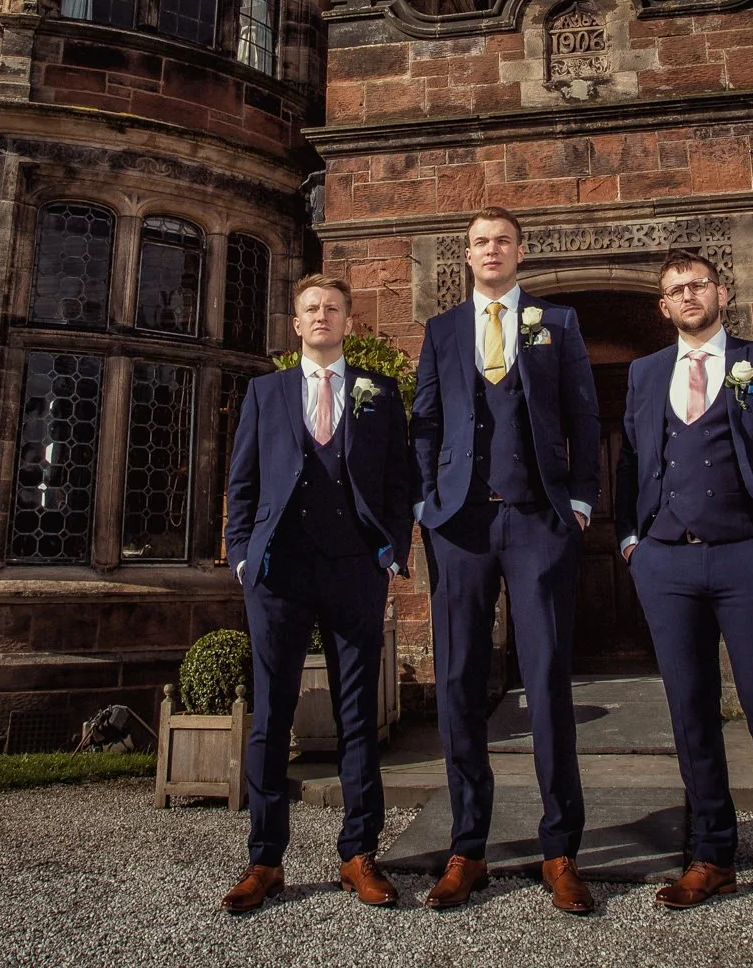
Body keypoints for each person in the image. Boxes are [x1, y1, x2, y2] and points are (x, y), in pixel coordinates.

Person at [615, 250, 753, 929]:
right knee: (691, 713)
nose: (687, 296)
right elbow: (630, 460)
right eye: (675, 289)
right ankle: (712, 855)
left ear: (721, 292)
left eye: (697, 285)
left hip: (750, 560)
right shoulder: (645, 374)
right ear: (663, 305)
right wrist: (630, 542)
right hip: (667, 563)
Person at [409, 206, 601, 913]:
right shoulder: (442, 330)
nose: (491, 250)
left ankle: (561, 850)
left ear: (521, 252)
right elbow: (424, 421)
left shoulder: (560, 324)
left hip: (538, 520)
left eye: (502, 241)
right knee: (458, 680)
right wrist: (426, 502)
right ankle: (469, 848)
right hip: (458, 525)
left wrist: (580, 501)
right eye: (480, 242)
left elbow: (583, 416)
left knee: (548, 680)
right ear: (467, 255)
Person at [220, 274, 413, 914]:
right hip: (276, 572)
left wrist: (388, 552)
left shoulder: (379, 393)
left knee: (357, 715)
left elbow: (396, 482)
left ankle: (359, 852)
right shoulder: (264, 393)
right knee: (271, 716)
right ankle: (265, 858)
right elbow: (241, 482)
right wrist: (243, 556)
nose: (322, 316)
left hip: (354, 568)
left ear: (348, 322)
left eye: (333, 308)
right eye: (311, 309)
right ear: (296, 324)